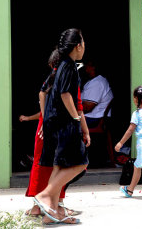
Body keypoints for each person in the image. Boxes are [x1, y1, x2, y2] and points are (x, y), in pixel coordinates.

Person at [33, 28, 90, 225]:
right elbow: (66, 94)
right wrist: (76, 119)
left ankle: (53, 213)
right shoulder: (68, 65)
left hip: (54, 122)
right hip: (64, 123)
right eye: (83, 42)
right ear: (78, 45)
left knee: (60, 166)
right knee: (80, 163)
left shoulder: (62, 65)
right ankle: (45, 195)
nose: (84, 46)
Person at [22, 49, 84, 217]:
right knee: (60, 165)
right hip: (57, 127)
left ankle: (47, 205)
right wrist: (81, 127)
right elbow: (77, 105)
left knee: (47, 165)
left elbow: (41, 93)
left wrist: (44, 118)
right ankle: (49, 204)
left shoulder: (53, 78)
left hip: (48, 126)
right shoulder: (65, 76)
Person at [81, 60, 114, 128]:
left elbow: (87, 107)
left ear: (93, 67)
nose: (85, 67)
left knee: (64, 122)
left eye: (87, 65)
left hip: (94, 119)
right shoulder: (96, 80)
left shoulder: (97, 83)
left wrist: (71, 110)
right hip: (93, 117)